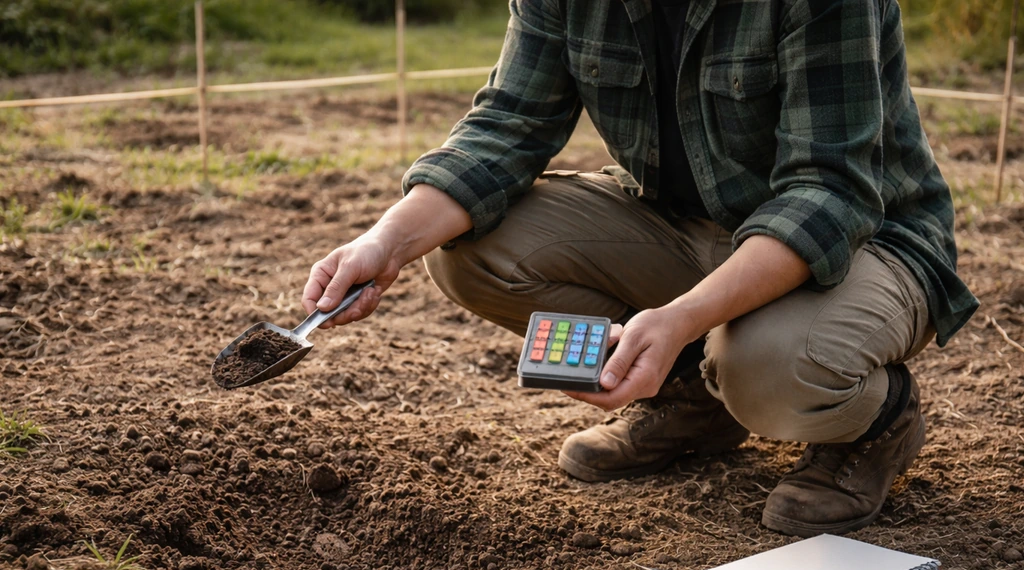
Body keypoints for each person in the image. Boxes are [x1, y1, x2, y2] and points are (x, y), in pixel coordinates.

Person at [302, 0, 978, 537]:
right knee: (470, 249)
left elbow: (829, 194)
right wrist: (383, 244)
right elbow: (506, 128)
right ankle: (692, 403)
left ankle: (877, 420)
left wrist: (683, 318)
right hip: (684, 225)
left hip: (862, 240)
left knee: (765, 365)